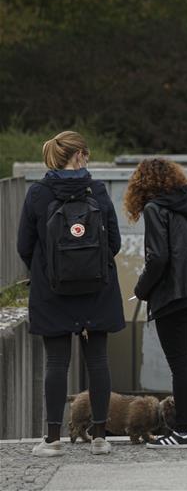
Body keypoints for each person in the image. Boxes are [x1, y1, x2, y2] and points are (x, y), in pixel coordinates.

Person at [17, 131, 125, 457]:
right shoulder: (99, 190)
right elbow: (115, 242)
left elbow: (25, 246)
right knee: (98, 363)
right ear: (79, 156)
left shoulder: (38, 193)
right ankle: (101, 438)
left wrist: (47, 271)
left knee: (56, 364)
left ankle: (52, 439)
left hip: (53, 291)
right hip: (97, 289)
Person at [125, 158, 187, 449]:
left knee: (179, 364)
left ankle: (183, 431)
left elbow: (159, 258)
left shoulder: (155, 209)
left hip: (173, 297)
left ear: (143, 185)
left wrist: (141, 290)